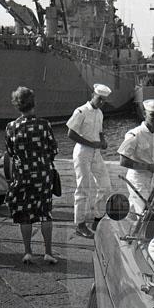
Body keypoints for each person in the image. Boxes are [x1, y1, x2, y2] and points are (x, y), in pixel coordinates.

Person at [5, 86, 59, 265]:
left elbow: (10, 152)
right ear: (33, 103)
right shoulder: (44, 125)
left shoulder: (11, 127)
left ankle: (28, 252)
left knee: (25, 214)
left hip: (23, 174)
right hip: (43, 174)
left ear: (17, 105)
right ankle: (48, 252)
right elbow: (53, 149)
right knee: (45, 213)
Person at [66, 83, 112, 239]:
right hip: (82, 153)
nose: (101, 102)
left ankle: (98, 219)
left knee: (105, 185)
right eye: (99, 99)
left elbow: (100, 131)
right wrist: (91, 143)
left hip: (96, 153)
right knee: (83, 187)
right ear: (93, 95)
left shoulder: (99, 113)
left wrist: (103, 141)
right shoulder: (81, 111)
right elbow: (71, 133)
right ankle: (80, 225)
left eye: (104, 100)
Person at [118, 99, 154, 216]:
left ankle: (124, 224)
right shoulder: (134, 134)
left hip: (150, 179)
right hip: (136, 179)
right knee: (145, 212)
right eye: (152, 115)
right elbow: (123, 161)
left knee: (133, 211)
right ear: (144, 114)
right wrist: (147, 167)